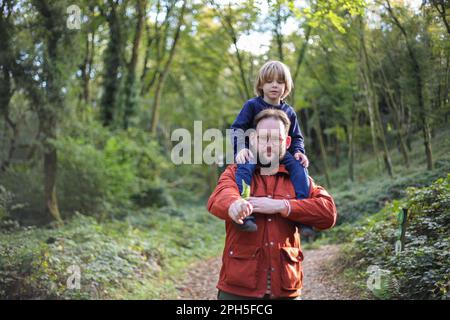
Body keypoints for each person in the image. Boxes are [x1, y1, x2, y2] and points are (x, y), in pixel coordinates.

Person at [207, 108, 337, 300]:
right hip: (238, 289)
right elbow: (220, 196)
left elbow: (328, 213)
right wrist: (234, 205)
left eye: (276, 138)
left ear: (287, 142)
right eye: (263, 137)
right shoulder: (236, 171)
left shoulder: (299, 177)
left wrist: (282, 206)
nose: (269, 144)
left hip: (286, 288)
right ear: (253, 140)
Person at [230, 60, 311, 234]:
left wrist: (299, 152)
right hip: (256, 150)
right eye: (269, 81)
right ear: (261, 84)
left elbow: (296, 137)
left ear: (286, 86)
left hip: (280, 153)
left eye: (280, 82)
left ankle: (302, 215)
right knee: (245, 167)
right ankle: (245, 210)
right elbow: (237, 128)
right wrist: (241, 148)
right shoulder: (252, 105)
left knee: (300, 168)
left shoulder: (289, 112)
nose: (274, 85)